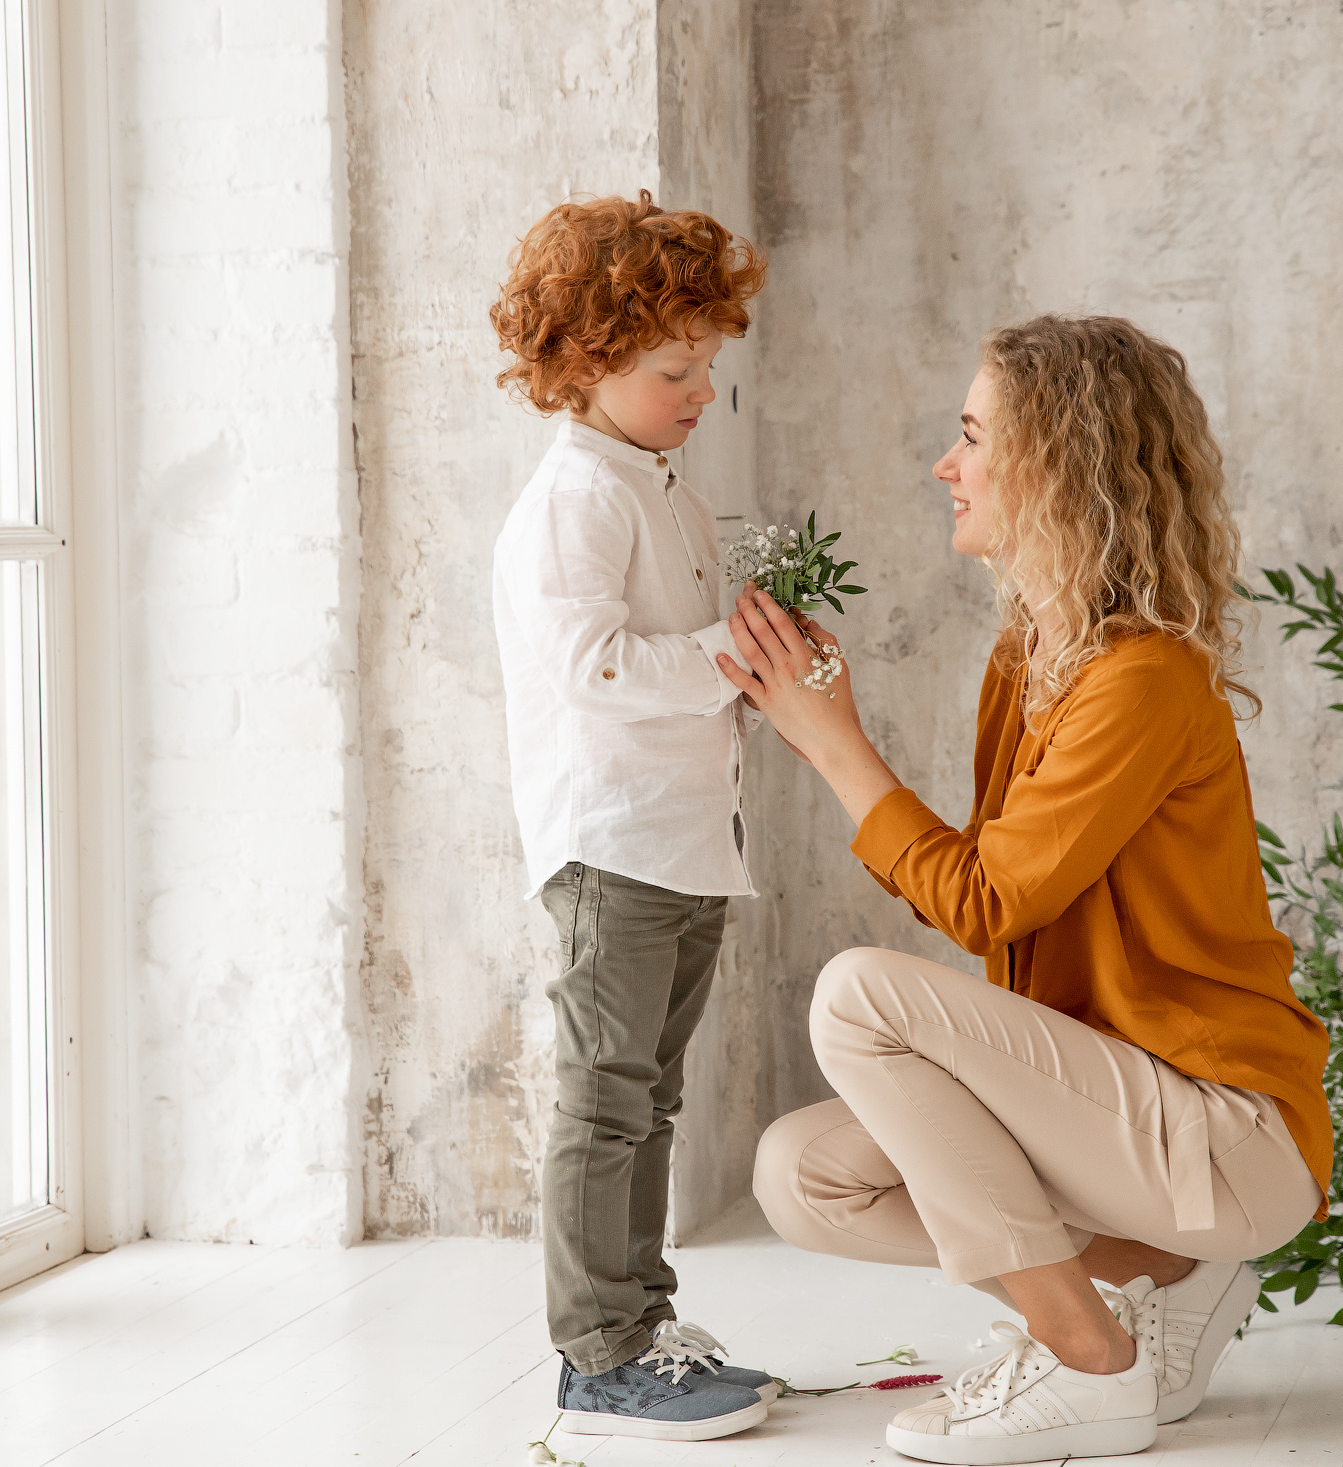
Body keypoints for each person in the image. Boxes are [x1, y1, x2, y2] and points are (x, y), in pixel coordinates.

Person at [721, 314, 1333, 1465]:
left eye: (970, 437)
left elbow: (991, 904)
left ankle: (1086, 1362)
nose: (944, 467)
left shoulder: (1141, 679)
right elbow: (992, 897)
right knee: (802, 1177)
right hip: (1122, 1121)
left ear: (1059, 465)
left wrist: (833, 743)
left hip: (1224, 1131)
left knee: (859, 997)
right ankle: (1163, 1284)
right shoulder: (1030, 658)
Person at [488, 191, 776, 1443]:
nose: (701, 389)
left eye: (707, 364)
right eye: (675, 368)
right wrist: (726, 655)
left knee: (647, 1097)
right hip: (613, 844)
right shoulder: (579, 500)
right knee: (604, 1095)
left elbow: (675, 663)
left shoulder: (661, 488)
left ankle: (642, 1329)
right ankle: (596, 1356)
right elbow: (594, 670)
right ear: (586, 363)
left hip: (678, 834)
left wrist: (751, 671)